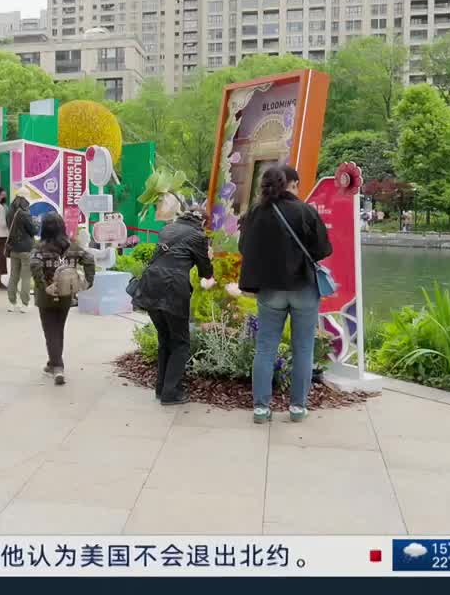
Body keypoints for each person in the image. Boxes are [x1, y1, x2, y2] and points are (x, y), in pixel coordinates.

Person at [238, 164, 333, 424]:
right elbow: (323, 248)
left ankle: (261, 409)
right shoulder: (305, 211)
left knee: (265, 348)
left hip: (270, 290)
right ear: (292, 184)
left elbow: (244, 247)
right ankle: (297, 408)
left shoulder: (255, 213)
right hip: (303, 288)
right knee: (303, 348)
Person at [131, 207, 216, 405]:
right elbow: (205, 272)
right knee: (180, 342)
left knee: (165, 338)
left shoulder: (167, 229)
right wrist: (208, 257)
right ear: (203, 222)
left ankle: (161, 388)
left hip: (151, 286)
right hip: (174, 290)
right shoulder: (198, 236)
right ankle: (171, 392)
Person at [29, 213, 95, 385]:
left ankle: (57, 366)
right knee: (58, 328)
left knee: (50, 330)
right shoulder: (71, 246)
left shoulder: (39, 247)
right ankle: (53, 363)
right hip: (66, 293)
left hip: (46, 295)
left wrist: (44, 285)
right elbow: (89, 259)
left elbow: (34, 265)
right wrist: (88, 282)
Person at [4, 196, 38, 313]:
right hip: (26, 250)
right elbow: (34, 231)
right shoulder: (25, 215)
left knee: (14, 276)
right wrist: (36, 223)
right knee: (26, 277)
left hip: (13, 249)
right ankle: (24, 304)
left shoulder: (9, 213)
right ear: (25, 205)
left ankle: (12, 303)